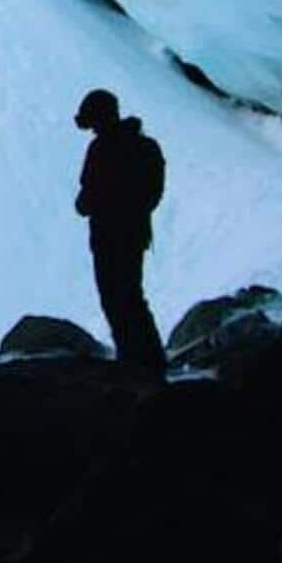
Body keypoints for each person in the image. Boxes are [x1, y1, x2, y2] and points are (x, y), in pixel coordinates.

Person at [73, 88, 167, 370]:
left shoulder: (101, 149)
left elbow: (86, 198)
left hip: (106, 236)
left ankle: (133, 358)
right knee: (132, 296)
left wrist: (96, 204)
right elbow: (153, 193)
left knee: (114, 299)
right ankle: (149, 358)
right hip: (134, 234)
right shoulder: (145, 146)